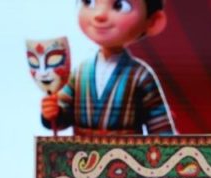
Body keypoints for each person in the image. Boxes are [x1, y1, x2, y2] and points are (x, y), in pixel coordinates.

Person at [40, 0, 176, 134]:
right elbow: (64, 115)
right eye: (89, 2)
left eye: (119, 5)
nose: (99, 15)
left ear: (152, 21)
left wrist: (166, 145)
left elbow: (160, 125)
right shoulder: (80, 72)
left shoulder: (140, 75)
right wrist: (53, 112)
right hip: (81, 148)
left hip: (126, 148)